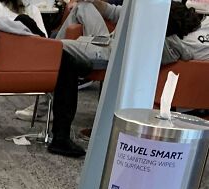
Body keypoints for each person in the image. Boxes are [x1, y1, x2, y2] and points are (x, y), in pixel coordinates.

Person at [48, 0, 209, 156]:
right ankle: (48, 81)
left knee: (55, 48)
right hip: (110, 40)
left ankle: (45, 80)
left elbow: (181, 50)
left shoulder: (173, 43)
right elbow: (116, 12)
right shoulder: (188, 25)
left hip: (113, 53)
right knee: (83, 7)